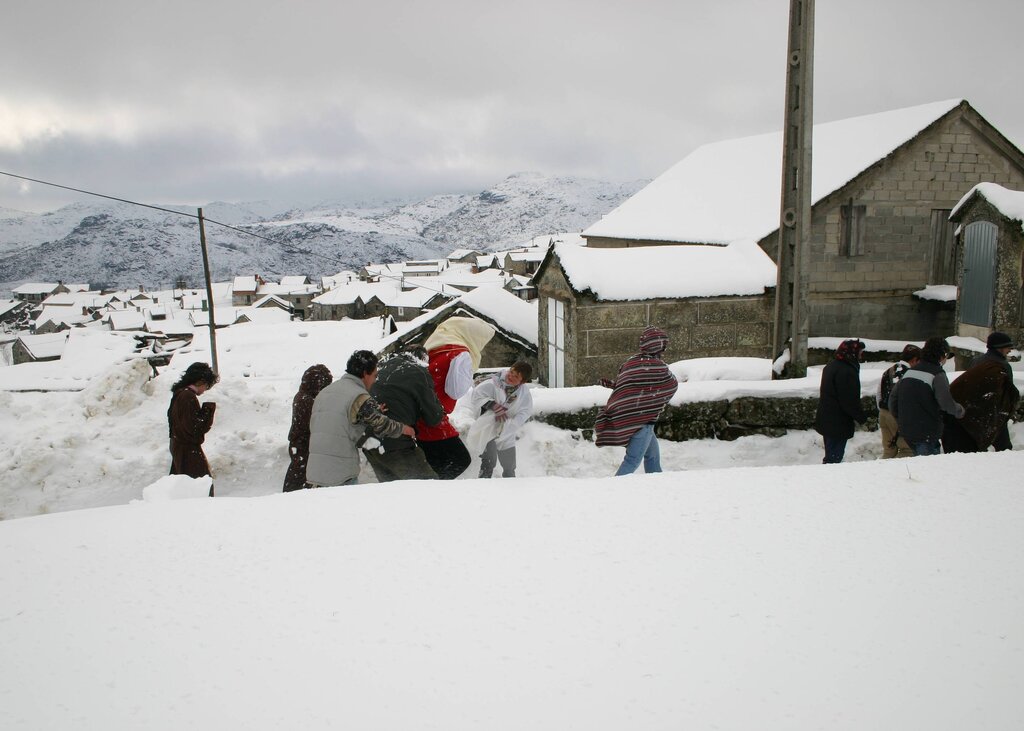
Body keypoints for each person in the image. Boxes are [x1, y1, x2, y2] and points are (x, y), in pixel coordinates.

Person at [306, 350, 415, 487]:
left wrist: (372, 411)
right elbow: (382, 425)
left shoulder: (325, 392)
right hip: (340, 474)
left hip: (316, 470)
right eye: (374, 376)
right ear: (365, 374)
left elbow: (339, 421)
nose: (375, 380)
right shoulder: (358, 396)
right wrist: (404, 429)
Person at [416, 317, 496, 479]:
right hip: (434, 418)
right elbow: (455, 391)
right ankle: (434, 488)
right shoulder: (460, 354)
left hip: (418, 413)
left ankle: (431, 487)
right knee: (460, 459)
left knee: (434, 459)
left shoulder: (435, 347)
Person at [594, 326, 678, 475]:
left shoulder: (631, 362)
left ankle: (656, 482)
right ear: (658, 346)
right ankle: (614, 488)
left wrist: (614, 385)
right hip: (642, 421)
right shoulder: (659, 367)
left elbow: (628, 385)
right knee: (632, 460)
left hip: (629, 418)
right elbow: (671, 386)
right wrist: (651, 400)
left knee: (652, 456)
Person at [365, 347, 445, 482]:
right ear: (423, 360)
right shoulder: (419, 371)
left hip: (368, 441)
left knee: (395, 493)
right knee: (429, 488)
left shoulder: (381, 366)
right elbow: (434, 418)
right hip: (396, 442)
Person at [942, 331, 1019, 453]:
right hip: (992, 409)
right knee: (1003, 446)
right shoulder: (1002, 365)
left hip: (971, 409)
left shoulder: (976, 361)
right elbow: (1006, 392)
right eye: (1007, 347)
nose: (1010, 350)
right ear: (999, 348)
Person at [889, 337, 964, 456]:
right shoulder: (937, 374)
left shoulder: (910, 371)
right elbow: (945, 402)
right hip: (926, 432)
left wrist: (900, 419)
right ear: (941, 355)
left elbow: (893, 399)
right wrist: (959, 411)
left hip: (907, 430)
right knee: (928, 468)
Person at [467, 361, 534, 478]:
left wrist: (512, 424)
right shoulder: (493, 383)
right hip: (488, 428)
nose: (511, 376)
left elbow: (525, 411)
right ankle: (483, 484)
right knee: (489, 461)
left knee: (509, 465)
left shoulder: (523, 393)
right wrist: (492, 405)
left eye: (516, 376)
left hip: (507, 430)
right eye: (511, 372)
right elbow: (476, 397)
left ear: (522, 382)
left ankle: (510, 488)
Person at [168, 361, 219, 496]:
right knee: (200, 486)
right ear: (200, 381)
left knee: (186, 485)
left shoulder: (180, 394)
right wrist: (208, 411)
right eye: (207, 386)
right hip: (188, 450)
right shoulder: (187, 397)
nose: (205, 389)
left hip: (180, 447)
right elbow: (194, 429)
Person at [815, 339, 867, 464]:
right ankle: (829, 479)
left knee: (831, 453)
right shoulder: (847, 371)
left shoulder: (831, 366)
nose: (861, 355)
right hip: (838, 421)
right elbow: (848, 399)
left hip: (827, 418)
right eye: (859, 352)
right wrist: (861, 417)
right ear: (852, 352)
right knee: (834, 458)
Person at [282, 364, 333, 492]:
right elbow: (320, 424)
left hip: (300, 447)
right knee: (300, 483)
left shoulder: (303, 395)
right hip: (305, 448)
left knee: (297, 477)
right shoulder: (308, 401)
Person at [876, 344, 921, 459]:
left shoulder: (888, 371)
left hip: (883, 414)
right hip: (897, 416)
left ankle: (879, 472)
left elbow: (879, 395)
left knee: (889, 450)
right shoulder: (910, 374)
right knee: (908, 450)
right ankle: (894, 474)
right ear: (915, 359)